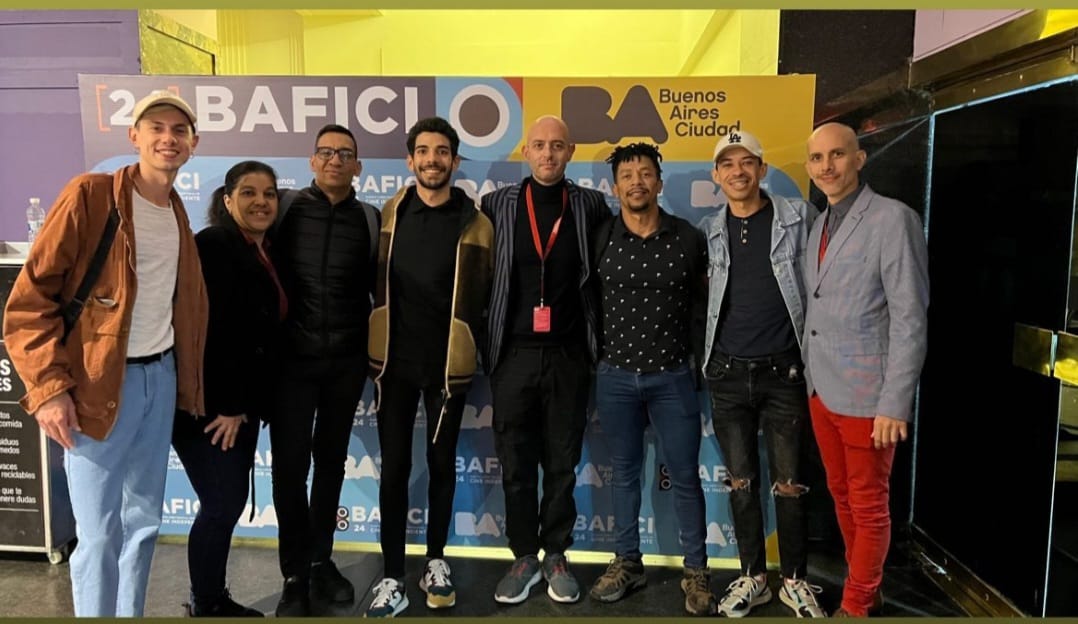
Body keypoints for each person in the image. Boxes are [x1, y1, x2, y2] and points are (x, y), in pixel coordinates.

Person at [2, 90, 207, 617]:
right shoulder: (90, 196)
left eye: (179, 130)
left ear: (193, 144)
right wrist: (49, 391)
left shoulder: (176, 211)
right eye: (156, 127)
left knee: (142, 524)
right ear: (134, 136)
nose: (168, 138)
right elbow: (28, 303)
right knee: (97, 533)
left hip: (158, 381)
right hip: (97, 386)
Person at [362, 117, 494, 617]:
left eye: (441, 152)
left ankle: (435, 559)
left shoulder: (478, 224)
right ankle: (392, 574)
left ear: (454, 161)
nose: (432, 160)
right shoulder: (388, 215)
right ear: (410, 159)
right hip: (393, 366)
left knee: (442, 465)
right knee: (394, 469)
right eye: (423, 151)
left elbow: (488, 295)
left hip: (448, 369)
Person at [481, 115, 610, 605]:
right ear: (525, 151)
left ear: (571, 151)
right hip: (512, 354)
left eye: (557, 145)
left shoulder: (590, 205)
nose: (548, 154)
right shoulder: (497, 204)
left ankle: (556, 553)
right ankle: (523, 555)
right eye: (539, 145)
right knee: (515, 463)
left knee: (562, 462)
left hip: (568, 355)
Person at [802, 123, 929, 617]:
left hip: (869, 397)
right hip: (821, 389)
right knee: (841, 495)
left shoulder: (893, 219)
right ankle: (866, 586)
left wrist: (895, 402)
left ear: (859, 158)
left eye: (837, 155)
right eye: (817, 158)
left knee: (869, 502)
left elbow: (910, 317)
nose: (826, 166)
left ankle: (855, 605)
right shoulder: (819, 224)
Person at [698, 130, 825, 618]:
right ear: (716, 175)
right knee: (741, 483)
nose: (738, 171)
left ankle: (794, 580)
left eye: (746, 162)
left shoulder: (799, 218)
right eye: (728, 164)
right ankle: (753, 576)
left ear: (762, 168)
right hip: (727, 373)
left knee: (791, 484)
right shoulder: (709, 230)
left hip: (785, 371)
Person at [586, 143, 714, 616]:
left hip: (672, 377)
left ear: (659, 183)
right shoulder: (601, 236)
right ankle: (628, 562)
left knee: (685, 476)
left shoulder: (688, 238)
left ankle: (697, 571)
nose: (636, 182)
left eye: (645, 173)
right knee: (623, 474)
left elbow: (703, 304)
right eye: (627, 175)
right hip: (615, 377)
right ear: (614, 186)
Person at [269, 124, 380, 617]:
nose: (336, 160)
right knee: (290, 469)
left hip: (345, 364)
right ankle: (294, 572)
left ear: (358, 166)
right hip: (291, 364)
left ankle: (320, 560)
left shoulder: (370, 219)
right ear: (313, 161)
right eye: (327, 152)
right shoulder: (286, 209)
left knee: (331, 463)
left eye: (346, 153)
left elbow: (378, 292)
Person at [172, 161, 288, 617]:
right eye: (249, 193)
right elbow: (214, 329)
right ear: (226, 200)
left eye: (269, 194)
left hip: (238, 404)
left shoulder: (263, 249)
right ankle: (207, 602)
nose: (261, 202)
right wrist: (231, 405)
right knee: (221, 504)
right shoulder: (216, 244)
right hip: (213, 406)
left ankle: (210, 598)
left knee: (226, 502)